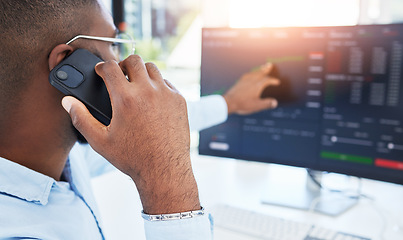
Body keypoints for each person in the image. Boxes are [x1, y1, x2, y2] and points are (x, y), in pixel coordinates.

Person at [0, 0, 279, 239]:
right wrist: (166, 183)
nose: (121, 60)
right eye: (114, 45)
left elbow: (147, 132)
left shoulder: (57, 158)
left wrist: (230, 103)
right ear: (67, 65)